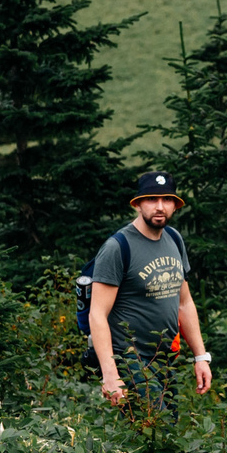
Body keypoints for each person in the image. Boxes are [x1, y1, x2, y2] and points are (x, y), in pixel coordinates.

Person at [80, 170, 214, 407]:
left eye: (167, 199)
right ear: (138, 205)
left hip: (163, 357)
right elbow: (97, 314)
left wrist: (201, 357)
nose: (160, 206)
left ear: (175, 205)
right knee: (157, 427)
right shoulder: (118, 247)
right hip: (128, 357)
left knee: (166, 431)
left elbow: (184, 302)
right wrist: (111, 374)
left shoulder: (174, 239)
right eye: (152, 199)